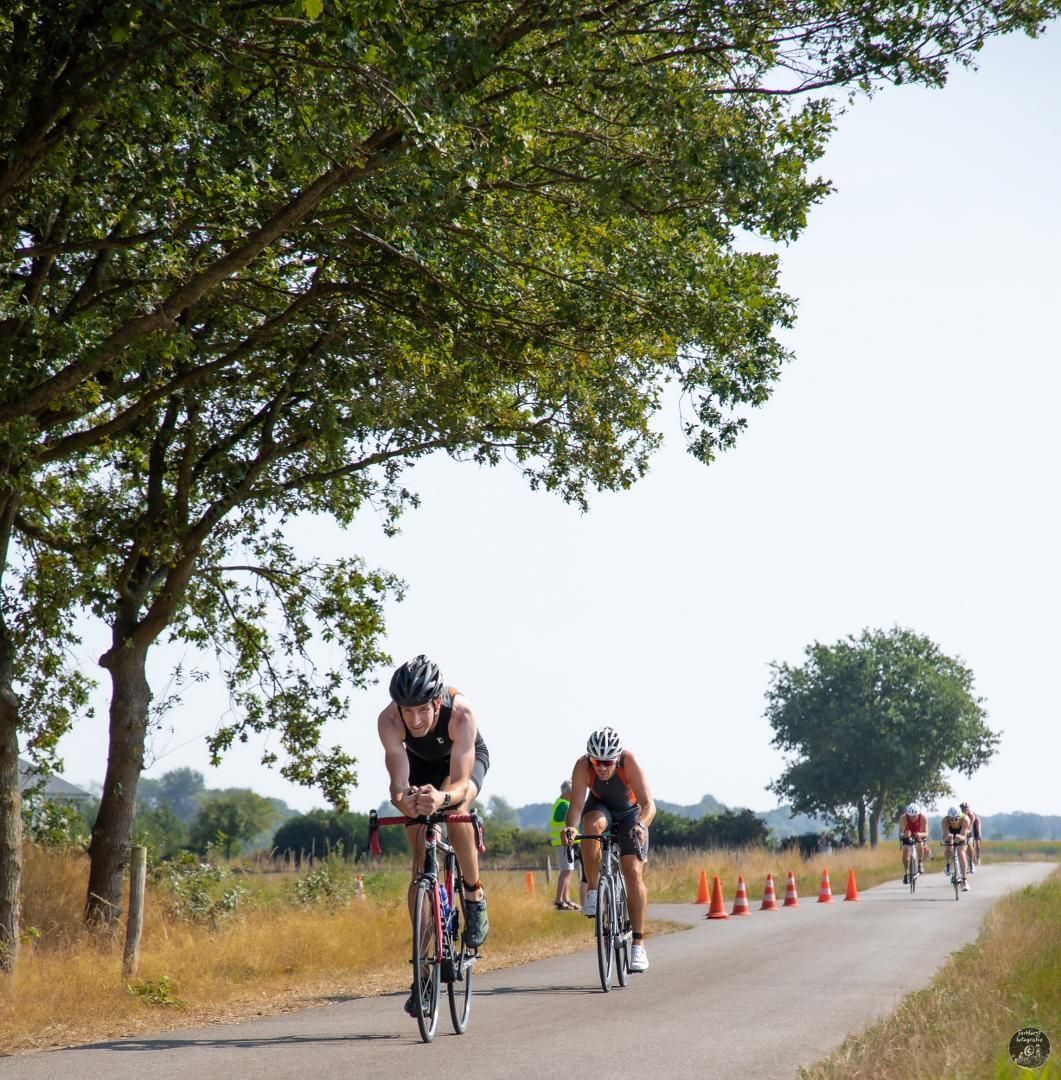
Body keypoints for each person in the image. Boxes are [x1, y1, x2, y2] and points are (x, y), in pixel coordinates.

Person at [377, 655, 490, 1013]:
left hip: (461, 763)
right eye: (407, 711)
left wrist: (441, 797)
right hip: (419, 765)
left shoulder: (461, 715)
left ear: (437, 702)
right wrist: (405, 801)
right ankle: (423, 969)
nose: (415, 719)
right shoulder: (389, 721)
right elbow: (397, 782)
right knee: (421, 861)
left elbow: (458, 781)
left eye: (422, 710)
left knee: (456, 811)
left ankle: (473, 894)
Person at [561, 726, 655, 973]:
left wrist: (641, 825)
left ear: (616, 759)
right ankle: (593, 890)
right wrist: (571, 828)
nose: (601, 767)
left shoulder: (629, 762)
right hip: (600, 808)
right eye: (596, 762)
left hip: (631, 814)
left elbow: (649, 805)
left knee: (633, 873)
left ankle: (638, 944)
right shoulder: (582, 766)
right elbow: (576, 808)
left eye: (607, 762)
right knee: (589, 826)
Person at [551, 779, 579, 910]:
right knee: (566, 871)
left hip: (565, 842)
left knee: (568, 870)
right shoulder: (564, 805)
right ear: (568, 791)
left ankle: (566, 899)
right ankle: (559, 900)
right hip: (562, 842)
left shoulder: (562, 802)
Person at [941, 805, 972, 891]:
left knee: (961, 852)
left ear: (960, 817)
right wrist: (948, 837)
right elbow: (946, 834)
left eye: (956, 819)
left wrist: (960, 837)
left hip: (960, 833)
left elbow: (964, 835)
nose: (954, 821)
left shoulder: (965, 820)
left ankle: (964, 881)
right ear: (948, 818)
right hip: (950, 833)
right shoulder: (945, 821)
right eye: (951, 819)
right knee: (948, 849)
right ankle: (948, 864)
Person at [898, 802, 928, 884]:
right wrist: (905, 834)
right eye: (910, 816)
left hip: (918, 835)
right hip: (907, 836)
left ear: (918, 813)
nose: (913, 818)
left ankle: (920, 863)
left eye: (915, 815)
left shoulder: (923, 817)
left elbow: (926, 833)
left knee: (920, 845)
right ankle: (906, 873)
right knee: (905, 850)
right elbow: (900, 834)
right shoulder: (903, 818)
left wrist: (920, 834)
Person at [960, 801, 982, 871]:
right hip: (967, 824)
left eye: (965, 808)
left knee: (976, 842)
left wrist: (967, 833)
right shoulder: (960, 815)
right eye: (962, 808)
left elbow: (969, 828)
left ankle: (977, 858)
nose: (963, 810)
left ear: (968, 808)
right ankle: (969, 859)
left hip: (975, 822)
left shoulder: (971, 815)